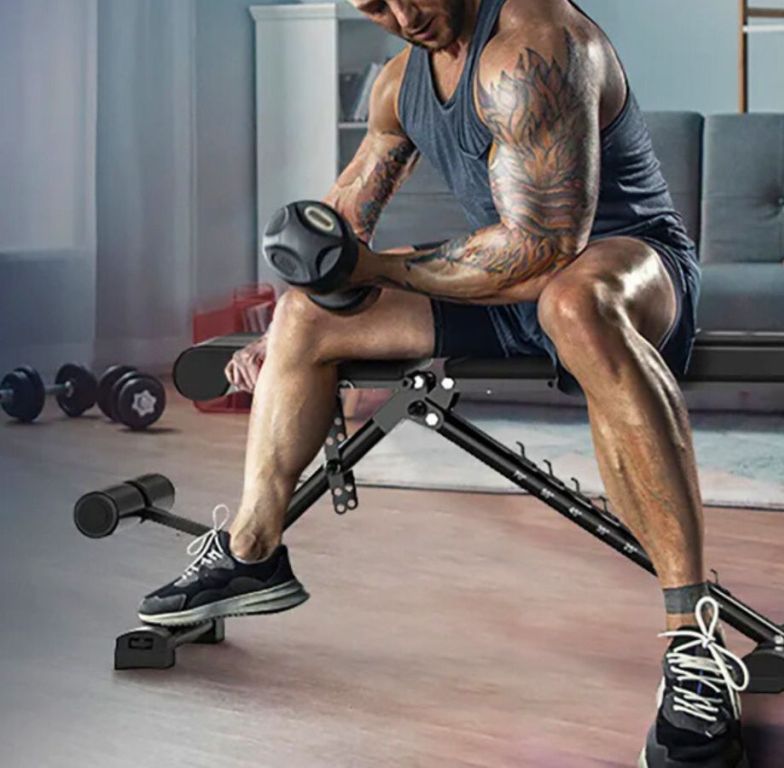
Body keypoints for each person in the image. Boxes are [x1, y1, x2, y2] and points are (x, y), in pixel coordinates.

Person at [139, 1, 750, 765]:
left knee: (572, 302)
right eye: (373, 5)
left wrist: (375, 267)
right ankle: (251, 551)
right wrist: (291, 312)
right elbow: (343, 225)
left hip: (621, 265)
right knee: (305, 316)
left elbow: (544, 247)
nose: (400, 16)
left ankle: (692, 640)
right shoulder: (399, 84)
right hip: (500, 287)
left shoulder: (538, 46)